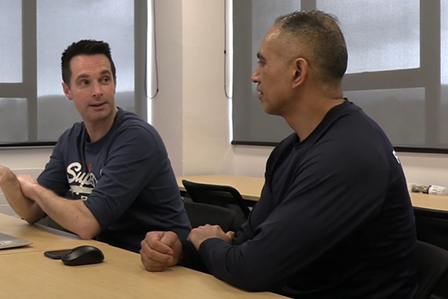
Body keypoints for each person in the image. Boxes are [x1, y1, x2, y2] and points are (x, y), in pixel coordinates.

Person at [139, 10, 417, 298]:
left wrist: (206, 243)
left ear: (298, 72)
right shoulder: (289, 150)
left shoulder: (348, 154)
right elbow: (248, 242)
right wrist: (180, 252)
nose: (254, 76)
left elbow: (251, 268)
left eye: (263, 63)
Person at [0, 39, 191, 253]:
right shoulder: (71, 139)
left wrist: (34, 189)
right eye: (85, 82)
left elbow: (87, 224)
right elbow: (32, 211)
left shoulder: (137, 139)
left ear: (114, 82)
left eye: (104, 79)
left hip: (161, 263)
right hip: (109, 256)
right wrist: (8, 179)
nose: (97, 91)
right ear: (67, 91)